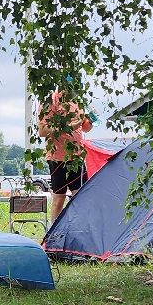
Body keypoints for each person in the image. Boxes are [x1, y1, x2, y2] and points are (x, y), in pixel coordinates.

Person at [39, 87, 92, 220]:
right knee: (59, 197)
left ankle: (78, 229)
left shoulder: (78, 101)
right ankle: (54, 234)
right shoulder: (51, 100)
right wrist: (67, 127)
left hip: (77, 156)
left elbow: (85, 128)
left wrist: (90, 121)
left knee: (81, 196)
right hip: (57, 157)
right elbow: (42, 131)